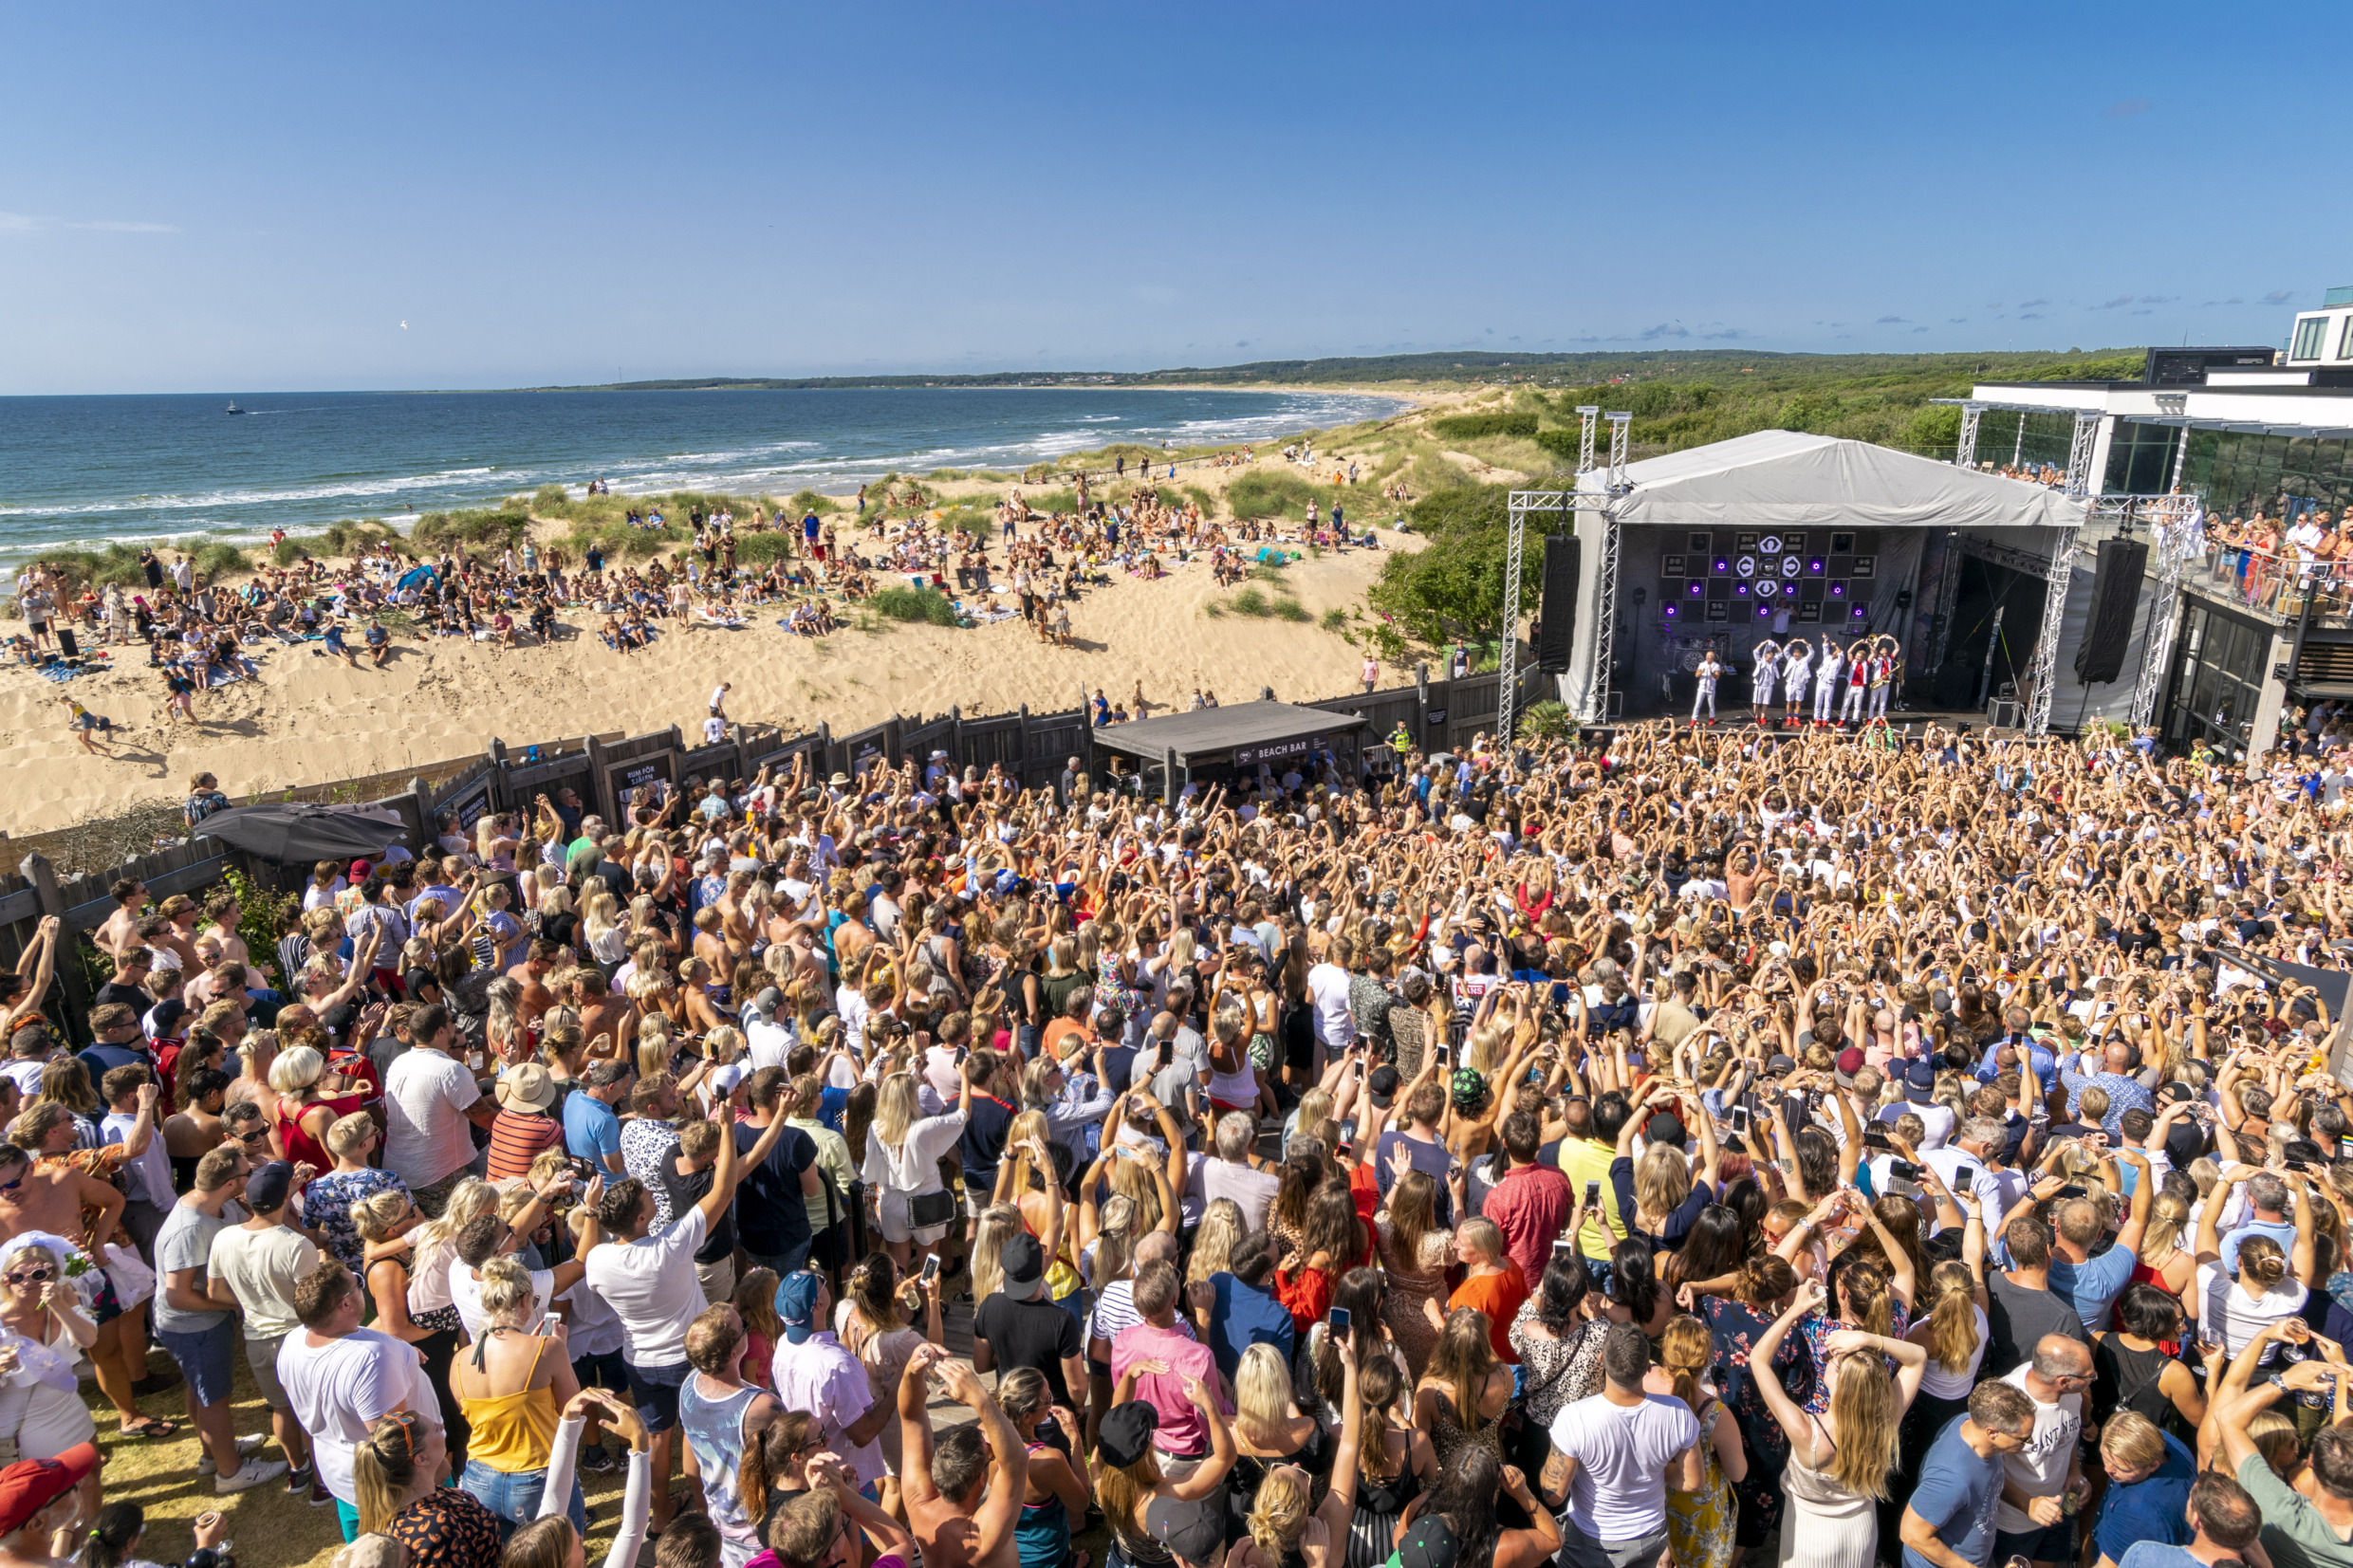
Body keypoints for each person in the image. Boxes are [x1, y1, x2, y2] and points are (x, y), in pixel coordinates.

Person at [583, 1102, 787, 1531]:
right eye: (645, 1199)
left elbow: (587, 1252)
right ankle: (702, 1505)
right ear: (641, 1217)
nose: (651, 1196)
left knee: (658, 1438)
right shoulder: (671, 1246)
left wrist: (587, 1210)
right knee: (693, 1431)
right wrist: (727, 1129)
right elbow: (724, 1190)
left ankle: (659, 1518)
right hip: (687, 1357)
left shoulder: (598, 1261)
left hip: (639, 1360)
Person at [277, 1256, 445, 1544]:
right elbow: (394, 1441)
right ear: (345, 1304)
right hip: (398, 1490)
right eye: (357, 1284)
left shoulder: (295, 1339)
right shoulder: (372, 1359)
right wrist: (437, 1471)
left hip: (342, 1476)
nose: (361, 1288)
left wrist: (401, 1354)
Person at [1539, 1323, 1703, 1568]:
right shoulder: (1678, 1413)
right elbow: (1692, 1482)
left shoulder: (1574, 1418)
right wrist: (1652, 1469)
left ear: (1602, 1359)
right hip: (1650, 1536)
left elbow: (1552, 1495)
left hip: (1592, 1540)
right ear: (1648, 1368)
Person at [450, 1257, 583, 1540]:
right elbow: (573, 1411)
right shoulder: (547, 1349)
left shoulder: (459, 1361)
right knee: (563, 1553)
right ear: (523, 1300)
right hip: (537, 1477)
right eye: (534, 1301)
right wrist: (558, 1349)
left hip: (479, 1478)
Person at [897, 1342, 1029, 1568]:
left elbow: (910, 1417)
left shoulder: (918, 1504)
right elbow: (1016, 1462)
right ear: (980, 1479)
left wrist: (912, 1370)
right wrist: (980, 1397)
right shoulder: (982, 1538)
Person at [1897, 1379, 2037, 1568]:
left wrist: (2027, 1503)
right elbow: (1911, 1533)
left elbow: (1984, 1485)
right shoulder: (1950, 1477)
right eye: (2024, 1439)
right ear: (1992, 1432)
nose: (2030, 1442)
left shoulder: (1967, 1422)